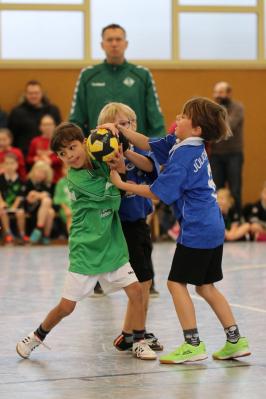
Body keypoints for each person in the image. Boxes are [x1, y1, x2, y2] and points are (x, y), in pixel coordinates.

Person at [106, 96, 251, 364]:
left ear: (196, 129)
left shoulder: (183, 157)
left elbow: (155, 192)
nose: (177, 119)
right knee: (206, 286)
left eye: (183, 117)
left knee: (175, 283)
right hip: (212, 225)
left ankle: (192, 343)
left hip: (196, 228)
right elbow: (148, 143)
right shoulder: (185, 145)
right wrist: (121, 131)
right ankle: (235, 340)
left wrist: (121, 183)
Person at [16, 122, 156, 361]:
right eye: (62, 153)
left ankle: (139, 341)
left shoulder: (100, 157)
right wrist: (120, 171)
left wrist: (117, 142)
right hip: (86, 248)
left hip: (111, 244)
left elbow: (119, 168)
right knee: (66, 307)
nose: (69, 155)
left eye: (72, 147)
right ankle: (37, 335)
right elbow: (114, 198)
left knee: (136, 292)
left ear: (84, 143)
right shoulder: (76, 179)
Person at [97, 102, 163, 352]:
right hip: (122, 226)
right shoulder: (103, 156)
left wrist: (127, 150)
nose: (123, 129)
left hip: (140, 223)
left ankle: (130, 333)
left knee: (144, 282)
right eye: (117, 126)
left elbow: (150, 168)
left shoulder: (138, 152)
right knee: (142, 282)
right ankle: (137, 335)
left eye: (127, 124)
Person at [69, 23, 165, 138]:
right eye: (109, 40)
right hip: (98, 149)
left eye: (118, 39)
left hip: (136, 150)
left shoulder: (142, 75)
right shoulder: (87, 75)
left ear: (126, 44)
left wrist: (155, 151)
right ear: (102, 45)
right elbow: (76, 119)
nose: (114, 44)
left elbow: (156, 121)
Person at [209, 81, 244, 214]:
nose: (217, 95)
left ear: (229, 93)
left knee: (235, 189)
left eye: (221, 92)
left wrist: (213, 122)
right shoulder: (212, 108)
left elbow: (228, 126)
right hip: (216, 155)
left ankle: (237, 218)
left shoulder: (238, 108)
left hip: (234, 154)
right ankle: (217, 219)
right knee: (216, 189)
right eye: (216, 92)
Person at [8, 80, 61, 155]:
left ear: (42, 94)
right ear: (25, 95)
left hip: (51, 155)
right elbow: (11, 137)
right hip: (25, 156)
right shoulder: (17, 112)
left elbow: (59, 133)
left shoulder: (52, 110)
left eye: (36, 93)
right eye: (30, 93)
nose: (33, 96)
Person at [24, 161, 55, 245]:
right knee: (47, 202)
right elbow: (29, 199)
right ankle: (41, 231)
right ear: (34, 171)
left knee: (50, 211)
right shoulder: (28, 182)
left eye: (43, 173)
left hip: (43, 210)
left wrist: (37, 195)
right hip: (31, 209)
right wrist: (40, 195)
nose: (40, 174)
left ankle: (41, 231)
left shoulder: (46, 184)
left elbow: (48, 195)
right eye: (39, 171)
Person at [0, 153, 28, 244]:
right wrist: (2, 203)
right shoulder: (1, 178)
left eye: (12, 163)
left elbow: (20, 196)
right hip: (3, 205)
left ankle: (22, 234)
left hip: (16, 205)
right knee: (2, 211)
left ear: (16, 165)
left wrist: (14, 207)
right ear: (3, 165)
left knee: (21, 213)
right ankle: (8, 234)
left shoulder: (21, 180)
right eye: (7, 163)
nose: (9, 166)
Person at [27, 114, 63, 183]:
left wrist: (51, 161)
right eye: (44, 125)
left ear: (54, 126)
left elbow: (64, 158)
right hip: (38, 178)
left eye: (49, 124)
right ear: (40, 127)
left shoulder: (59, 141)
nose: (47, 127)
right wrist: (35, 159)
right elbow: (29, 158)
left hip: (55, 179)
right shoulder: (35, 141)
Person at [53, 164, 72, 234]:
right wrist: (66, 208)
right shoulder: (61, 183)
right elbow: (58, 198)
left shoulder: (79, 182)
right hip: (66, 207)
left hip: (77, 206)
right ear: (62, 170)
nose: (68, 171)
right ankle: (73, 238)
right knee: (70, 217)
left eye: (70, 168)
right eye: (65, 168)